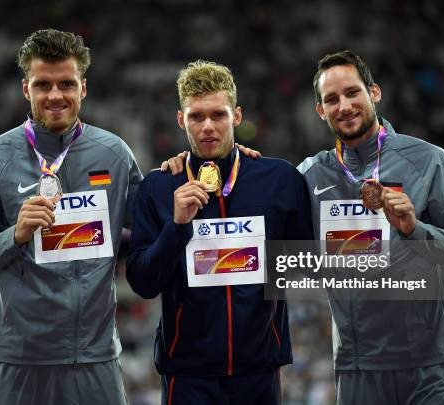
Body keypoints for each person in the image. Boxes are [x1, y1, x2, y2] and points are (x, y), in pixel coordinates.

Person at [162, 51, 444, 404]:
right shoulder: (310, 175)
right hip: (359, 371)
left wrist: (415, 230)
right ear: (320, 110)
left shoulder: (429, 161)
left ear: (373, 93)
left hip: (434, 367)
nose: (344, 106)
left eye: (352, 93)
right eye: (331, 99)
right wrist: (206, 158)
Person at [0, 29, 141, 404]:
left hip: (94, 361)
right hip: (19, 364)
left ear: (83, 88)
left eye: (66, 83)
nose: (55, 96)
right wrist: (14, 235)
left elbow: (155, 227)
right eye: (43, 85)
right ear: (25, 89)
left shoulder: (115, 155)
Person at [126, 60, 313, 405]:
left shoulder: (280, 180)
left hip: (259, 373)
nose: (208, 127)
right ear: (181, 120)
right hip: (187, 376)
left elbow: (306, 266)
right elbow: (143, 282)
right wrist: (177, 227)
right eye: (196, 117)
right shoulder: (158, 186)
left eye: (219, 115)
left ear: (237, 116)